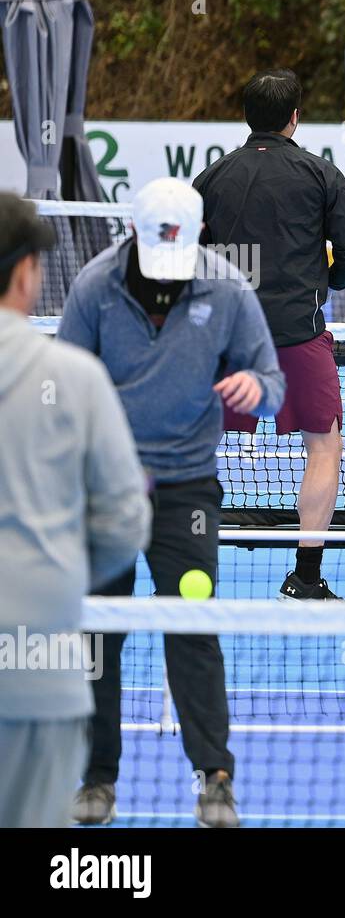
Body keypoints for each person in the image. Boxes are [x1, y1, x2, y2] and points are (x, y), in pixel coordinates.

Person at [58, 177, 286, 828]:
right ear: (131, 232)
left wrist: (254, 386)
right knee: (99, 634)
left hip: (187, 488)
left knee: (192, 619)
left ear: (200, 237)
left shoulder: (229, 290)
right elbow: (65, 383)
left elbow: (272, 385)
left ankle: (214, 778)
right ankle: (97, 777)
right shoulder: (94, 289)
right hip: (105, 486)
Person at [0, 195, 150, 828]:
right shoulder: (77, 379)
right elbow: (124, 524)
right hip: (40, 666)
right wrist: (57, 569)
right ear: (29, 272)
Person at [193, 68, 345, 600]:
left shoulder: (212, 178)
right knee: (324, 447)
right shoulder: (322, 176)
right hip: (299, 334)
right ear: (295, 118)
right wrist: (320, 283)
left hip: (228, 337)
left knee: (194, 448)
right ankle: (306, 577)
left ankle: (183, 572)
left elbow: (186, 254)